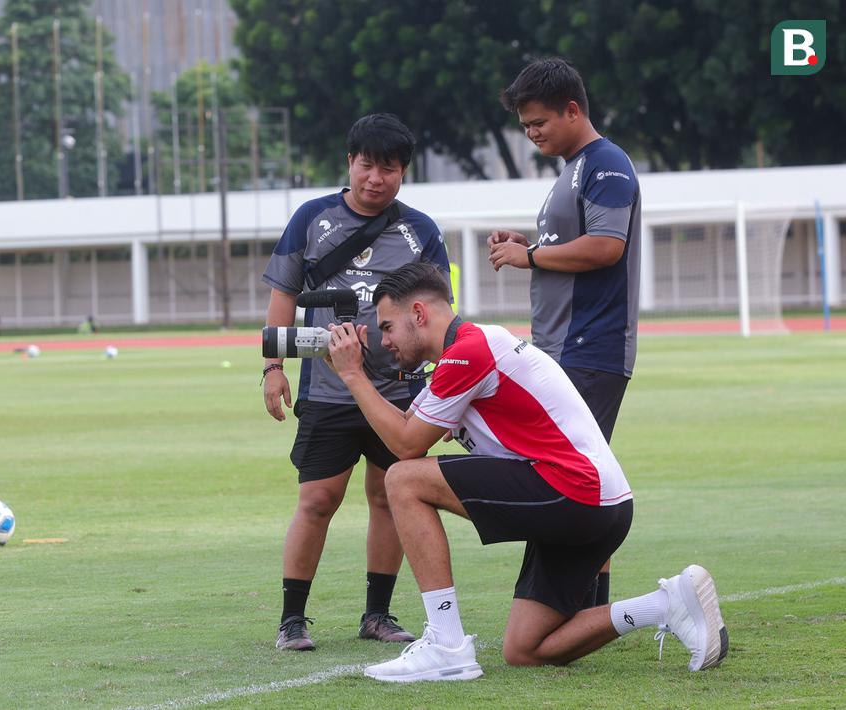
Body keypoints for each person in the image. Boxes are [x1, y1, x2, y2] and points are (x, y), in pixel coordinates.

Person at [324, 263, 726, 681]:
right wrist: (362, 377)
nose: (384, 340)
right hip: (601, 505)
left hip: (575, 493)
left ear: (419, 314)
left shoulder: (468, 350)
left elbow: (407, 445)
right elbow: (409, 424)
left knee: (402, 480)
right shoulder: (469, 348)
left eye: (387, 327)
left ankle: (446, 645)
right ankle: (666, 603)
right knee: (525, 648)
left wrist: (353, 374)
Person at [261, 113, 451, 651]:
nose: (376, 178)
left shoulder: (422, 230)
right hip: (327, 390)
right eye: (367, 165)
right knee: (318, 499)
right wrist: (273, 368)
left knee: (391, 498)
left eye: (388, 168)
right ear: (350, 162)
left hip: (398, 390)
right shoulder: (312, 219)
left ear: (403, 172)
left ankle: (378, 614)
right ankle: (291, 619)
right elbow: (282, 297)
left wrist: (438, 385)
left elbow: (440, 311)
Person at [487, 58, 643, 607]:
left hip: (589, 350)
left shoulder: (606, 163)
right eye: (526, 127)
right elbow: (573, 243)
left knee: (562, 479)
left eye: (539, 124)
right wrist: (530, 241)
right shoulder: (573, 168)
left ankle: (557, 608)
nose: (532, 135)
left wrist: (529, 254)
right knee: (583, 473)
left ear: (572, 109)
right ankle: (591, 604)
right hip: (563, 350)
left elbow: (607, 247)